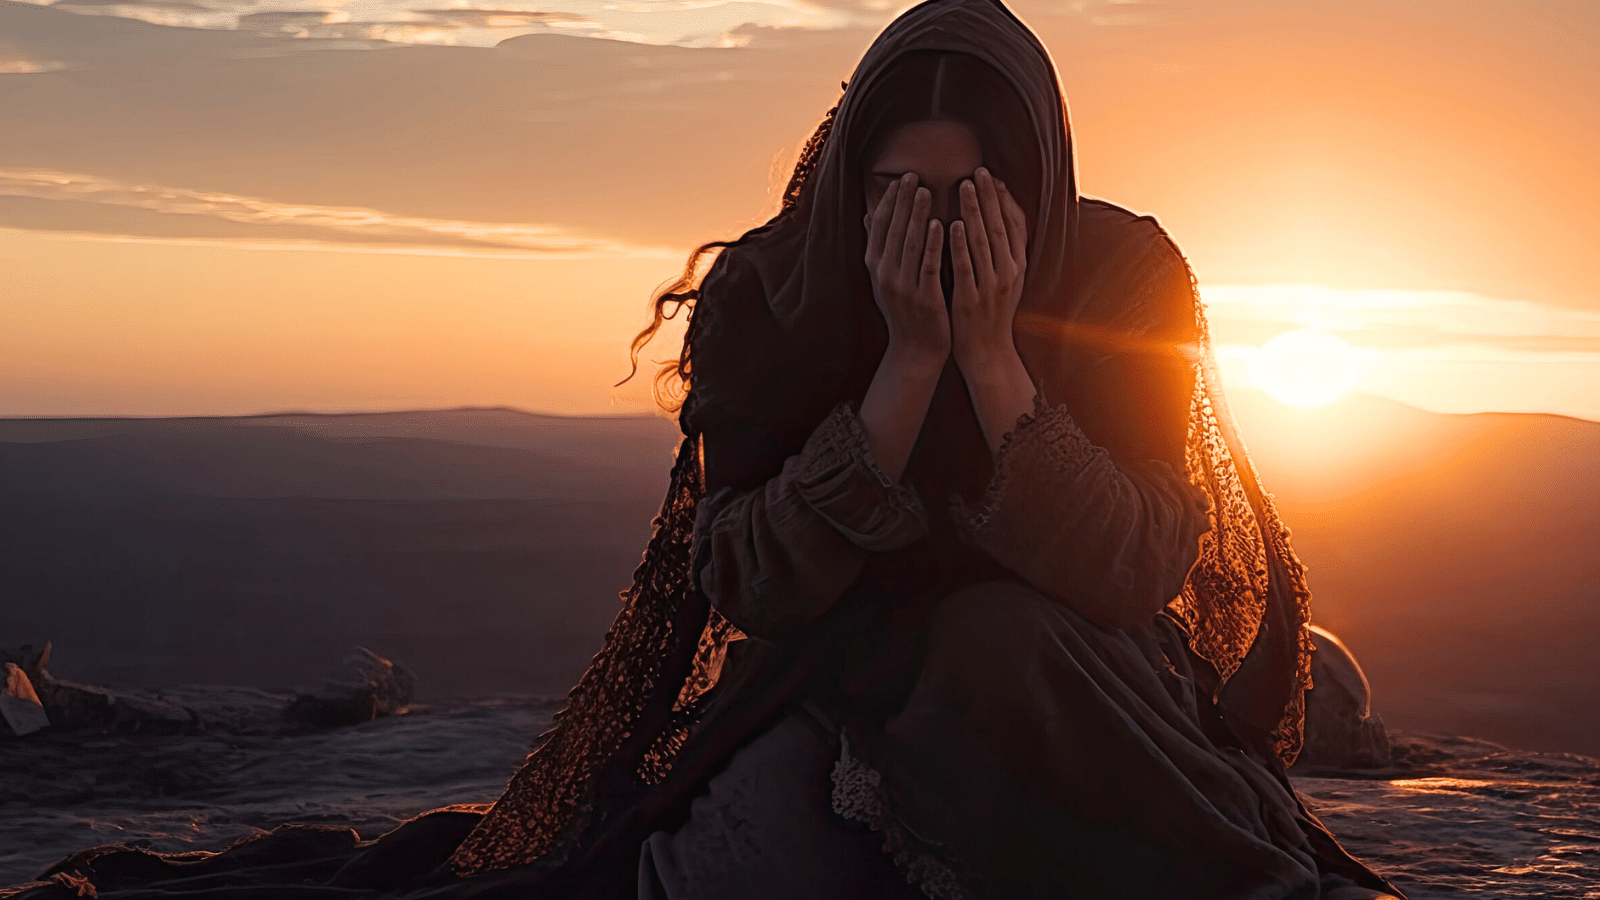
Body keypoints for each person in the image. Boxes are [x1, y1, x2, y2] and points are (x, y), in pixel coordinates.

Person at [10, 1, 1404, 898]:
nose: (930, 226)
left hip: (1067, 679)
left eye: (972, 197)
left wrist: (994, 367)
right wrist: (906, 371)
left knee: (1002, 650)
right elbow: (748, 581)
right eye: (899, 191)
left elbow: (1138, 568)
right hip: (830, 684)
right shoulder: (776, 293)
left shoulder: (1116, 278)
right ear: (854, 175)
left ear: (1034, 188)